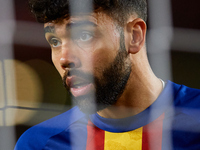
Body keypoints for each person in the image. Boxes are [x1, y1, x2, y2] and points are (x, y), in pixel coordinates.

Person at [15, 0, 200, 149]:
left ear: (134, 36)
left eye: (84, 36)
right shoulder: (39, 144)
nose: (64, 58)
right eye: (54, 41)